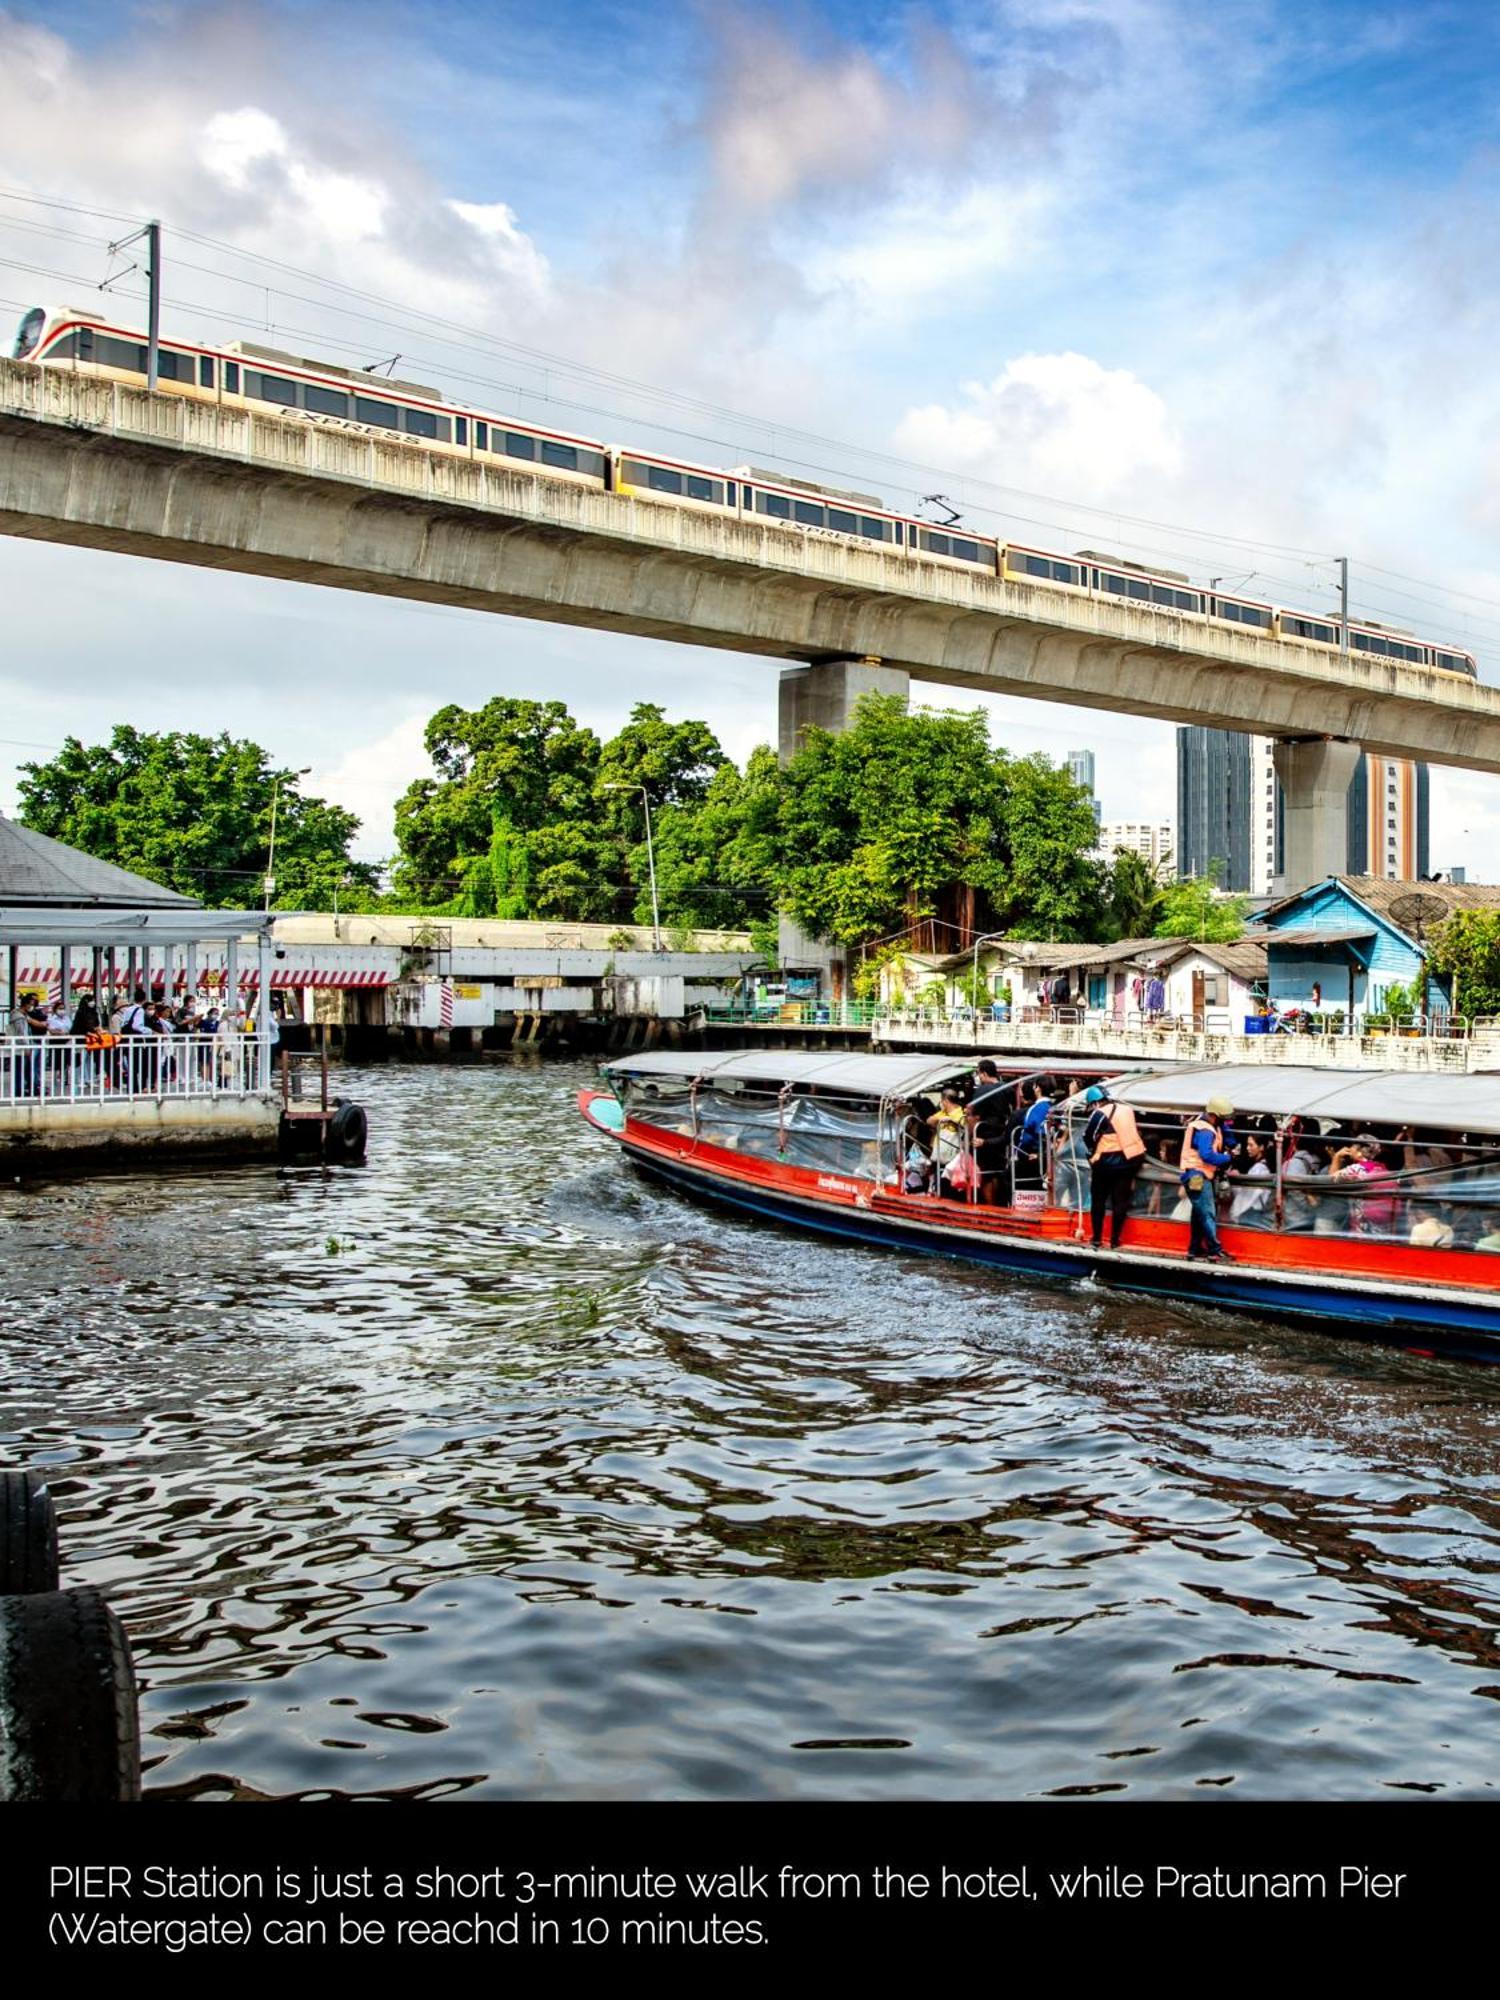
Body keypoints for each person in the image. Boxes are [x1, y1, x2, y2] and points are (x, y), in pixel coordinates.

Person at [1082, 1083, 1146, 1250]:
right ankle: (1115, 1240)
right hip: (1130, 1161)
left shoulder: (1099, 1114)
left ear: (1094, 1102)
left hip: (1105, 1164)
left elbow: (1088, 1136)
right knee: (1120, 1201)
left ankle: (1096, 1238)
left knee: (1098, 1201)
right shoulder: (1126, 1109)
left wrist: (1091, 1153)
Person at [1179, 1095, 1235, 1261]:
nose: (1223, 1122)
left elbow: (1226, 1135)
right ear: (1214, 1116)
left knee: (1198, 1212)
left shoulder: (1206, 1124)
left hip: (1195, 1174)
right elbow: (1206, 1155)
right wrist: (1227, 1158)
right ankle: (1214, 1249)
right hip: (1197, 1176)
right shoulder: (1205, 1131)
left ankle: (1194, 1249)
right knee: (1207, 1212)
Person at [1228, 1132, 1274, 1226]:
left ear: (1261, 1147)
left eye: (1251, 1145)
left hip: (1251, 1214)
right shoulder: (1261, 1166)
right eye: (1247, 1145)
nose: (1247, 1148)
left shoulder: (1259, 1169)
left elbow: (1247, 1196)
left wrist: (1236, 1180)